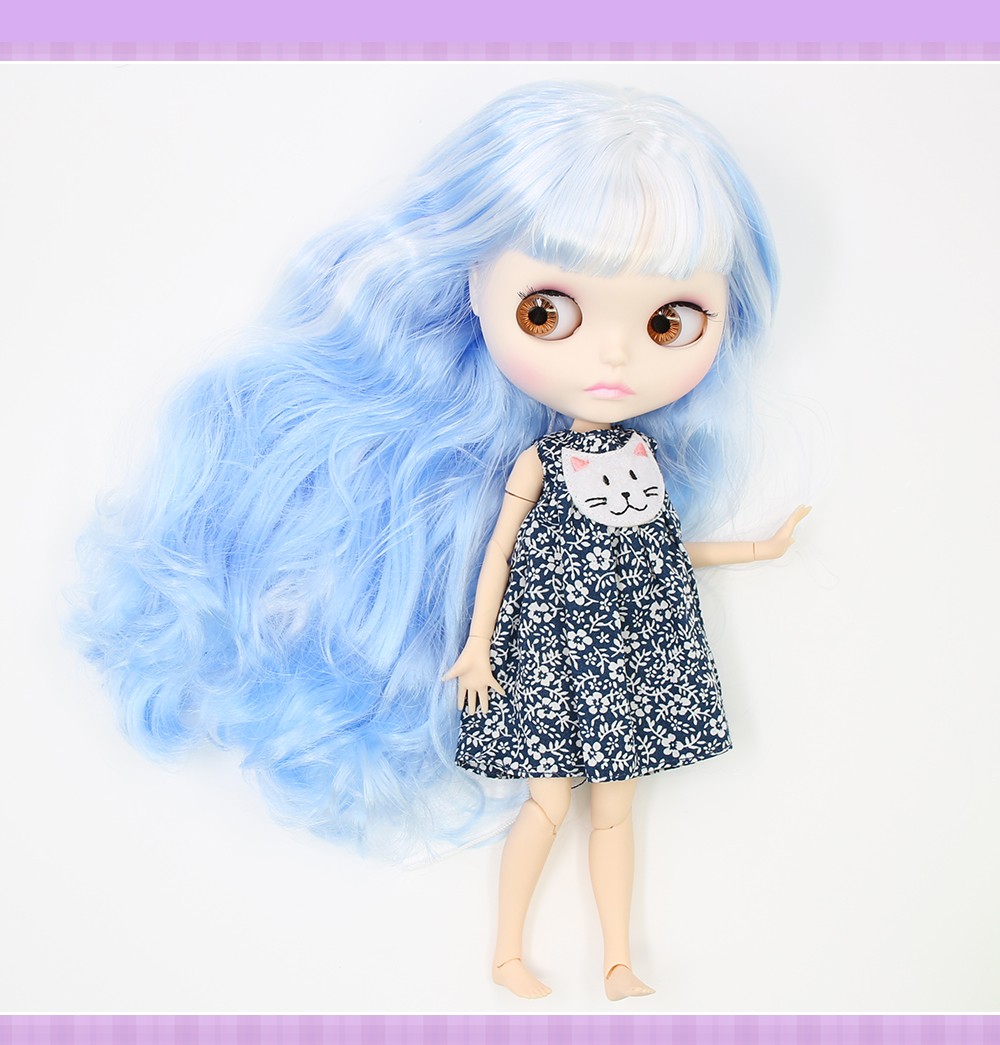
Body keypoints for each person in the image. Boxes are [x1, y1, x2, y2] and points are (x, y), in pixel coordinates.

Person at [74, 80, 808, 1000]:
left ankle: (618, 957)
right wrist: (475, 649)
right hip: (547, 657)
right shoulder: (539, 462)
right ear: (472, 285)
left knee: (614, 812)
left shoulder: (644, 459)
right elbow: (501, 554)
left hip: (630, 656)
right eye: (549, 312)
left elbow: (654, 547)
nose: (615, 357)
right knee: (550, 803)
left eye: (668, 322)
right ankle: (509, 951)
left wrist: (756, 549)